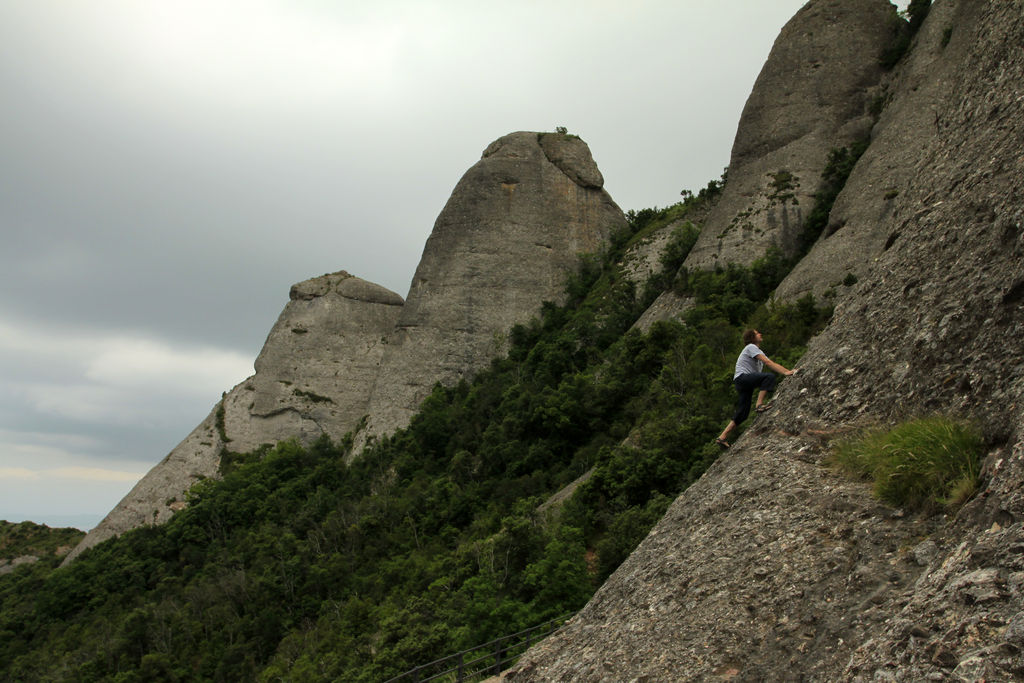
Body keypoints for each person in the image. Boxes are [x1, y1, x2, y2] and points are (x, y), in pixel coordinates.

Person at [715, 329, 796, 448]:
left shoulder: (756, 350)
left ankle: (722, 437)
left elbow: (769, 363)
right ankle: (759, 405)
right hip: (743, 378)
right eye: (757, 333)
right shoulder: (751, 347)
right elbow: (768, 362)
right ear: (752, 337)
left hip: (741, 381)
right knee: (769, 377)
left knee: (743, 412)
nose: (760, 334)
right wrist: (787, 372)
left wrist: (785, 372)